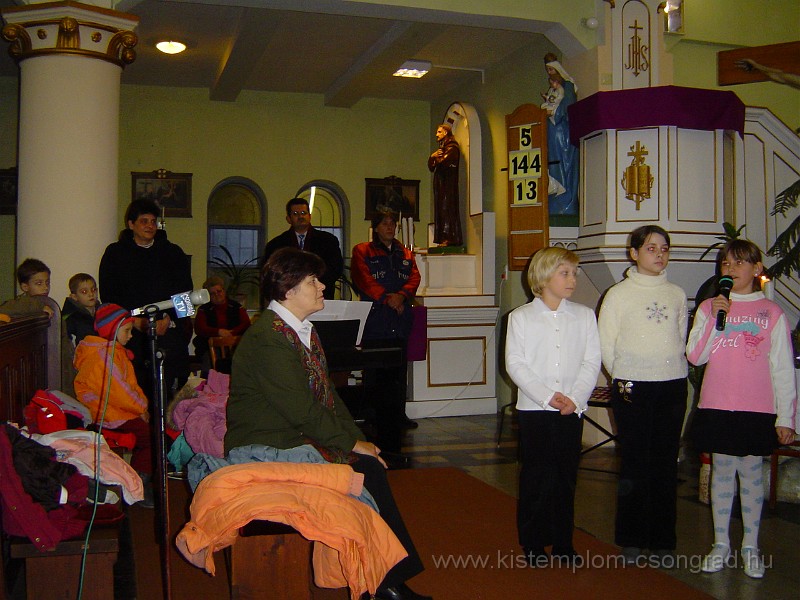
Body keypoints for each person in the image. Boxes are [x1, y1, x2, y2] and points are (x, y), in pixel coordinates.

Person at [225, 247, 431, 600]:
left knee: (367, 463)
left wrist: (359, 439)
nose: (322, 287)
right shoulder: (268, 338)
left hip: (293, 433)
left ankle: (384, 580)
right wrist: (351, 445)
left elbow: (328, 397)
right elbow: (301, 410)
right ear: (288, 289)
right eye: (313, 281)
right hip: (267, 444)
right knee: (364, 470)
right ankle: (385, 583)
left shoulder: (300, 331)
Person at [687, 239, 796, 579]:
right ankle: (721, 544)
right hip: (718, 404)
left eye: (738, 262)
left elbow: (782, 368)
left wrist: (786, 417)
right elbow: (696, 357)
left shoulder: (771, 313)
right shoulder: (709, 307)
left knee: (750, 474)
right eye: (725, 263)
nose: (731, 269)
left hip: (756, 407)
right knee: (721, 472)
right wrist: (715, 317)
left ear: (756, 268)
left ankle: (751, 545)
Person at [597, 225, 688, 563]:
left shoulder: (676, 293)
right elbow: (606, 343)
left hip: (672, 383)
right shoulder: (618, 294)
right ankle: (631, 539)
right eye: (651, 248)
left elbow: (680, 337)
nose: (660, 254)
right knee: (635, 461)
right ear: (634, 253)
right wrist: (623, 375)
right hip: (632, 384)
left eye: (664, 248)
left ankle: (663, 541)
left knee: (665, 462)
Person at [505, 247, 601, 567]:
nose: (572, 279)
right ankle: (533, 542)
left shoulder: (584, 316)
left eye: (574, 273)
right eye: (565, 273)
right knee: (536, 475)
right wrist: (547, 396)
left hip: (571, 408)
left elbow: (591, 361)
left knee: (565, 476)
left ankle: (563, 542)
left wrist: (575, 397)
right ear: (544, 276)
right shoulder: (521, 317)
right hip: (535, 409)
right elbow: (515, 364)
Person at [99, 199, 194, 399]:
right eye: (144, 221)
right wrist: (135, 322)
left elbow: (186, 295)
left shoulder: (173, 253)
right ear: (131, 224)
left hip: (168, 332)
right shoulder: (114, 254)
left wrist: (169, 320)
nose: (150, 226)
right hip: (131, 334)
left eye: (153, 221)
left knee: (170, 393)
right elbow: (109, 297)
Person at [351, 211, 422, 453]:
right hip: (376, 318)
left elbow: (414, 277)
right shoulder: (363, 250)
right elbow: (363, 279)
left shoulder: (406, 253)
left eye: (393, 224)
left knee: (399, 370)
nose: (390, 227)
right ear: (376, 228)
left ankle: (398, 414)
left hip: (400, 318)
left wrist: (401, 296)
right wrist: (386, 298)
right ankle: (372, 414)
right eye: (385, 224)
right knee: (375, 370)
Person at [73, 303, 153, 507]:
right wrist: (141, 408)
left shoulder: (111, 352)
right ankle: (137, 486)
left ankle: (137, 479)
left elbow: (129, 386)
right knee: (151, 437)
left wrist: (141, 406)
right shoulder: (104, 356)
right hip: (107, 415)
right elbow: (120, 393)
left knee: (150, 430)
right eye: (127, 331)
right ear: (112, 331)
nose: (131, 335)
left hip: (115, 409)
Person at [262, 198, 343, 300]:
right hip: (289, 296)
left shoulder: (328, 240)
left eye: (304, 213)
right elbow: (272, 274)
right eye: (295, 214)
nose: (300, 217)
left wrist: (312, 283)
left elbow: (336, 269)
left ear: (310, 216)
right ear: (288, 219)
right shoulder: (276, 244)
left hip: (321, 294)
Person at [543, 53, 579, 217]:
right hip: (552, 132)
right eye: (548, 71)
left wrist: (554, 114)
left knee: (564, 166)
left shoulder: (568, 86)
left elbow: (568, 107)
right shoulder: (553, 89)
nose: (550, 74)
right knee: (552, 166)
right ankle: (555, 200)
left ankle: (566, 203)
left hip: (563, 134)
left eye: (551, 70)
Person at [193, 275, 251, 371]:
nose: (217, 295)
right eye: (212, 293)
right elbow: (200, 328)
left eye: (219, 291)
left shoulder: (236, 307)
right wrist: (218, 332)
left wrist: (231, 333)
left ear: (224, 291)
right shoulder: (204, 309)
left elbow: (246, 324)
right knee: (209, 361)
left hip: (234, 347)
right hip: (209, 348)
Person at [427, 123, 463, 247]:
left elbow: (444, 162)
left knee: (447, 210)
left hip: (447, 186)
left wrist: (436, 159)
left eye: (439, 132)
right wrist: (432, 157)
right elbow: (431, 167)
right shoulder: (442, 149)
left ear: (445, 133)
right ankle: (443, 237)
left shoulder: (452, 148)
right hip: (441, 185)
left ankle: (449, 237)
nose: (436, 135)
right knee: (441, 210)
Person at [62, 273, 98, 346]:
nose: (91, 294)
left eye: (93, 289)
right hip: (84, 351)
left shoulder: (104, 310)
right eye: (84, 292)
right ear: (74, 297)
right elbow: (64, 342)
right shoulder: (71, 318)